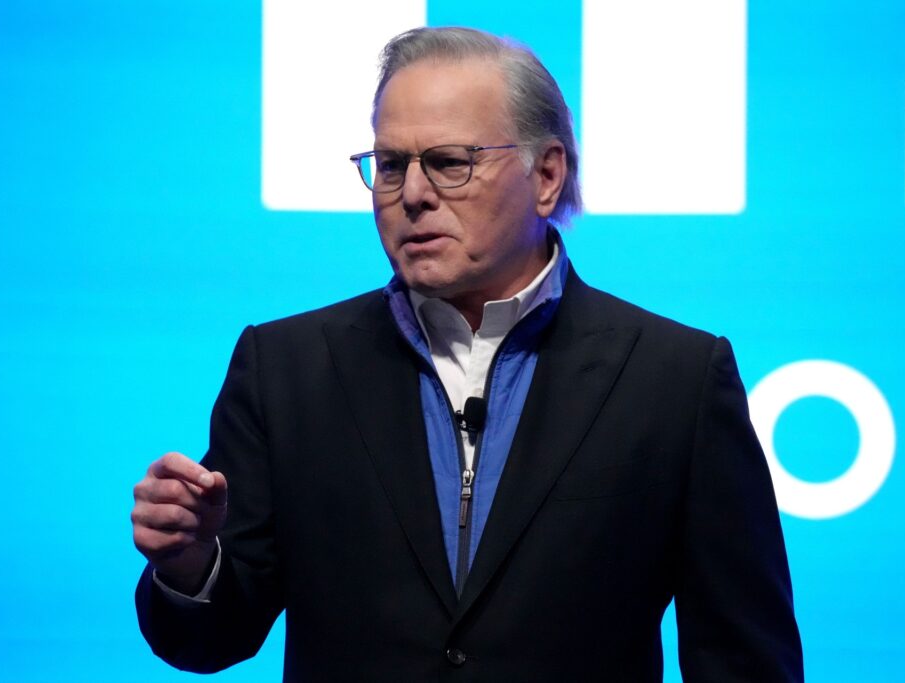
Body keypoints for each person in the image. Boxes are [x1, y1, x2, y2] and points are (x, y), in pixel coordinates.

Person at [132, 26, 803, 681]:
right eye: (390, 165)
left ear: (545, 175)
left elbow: (745, 658)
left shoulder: (675, 380)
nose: (413, 194)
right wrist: (190, 564)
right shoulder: (286, 368)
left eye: (450, 162)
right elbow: (211, 638)